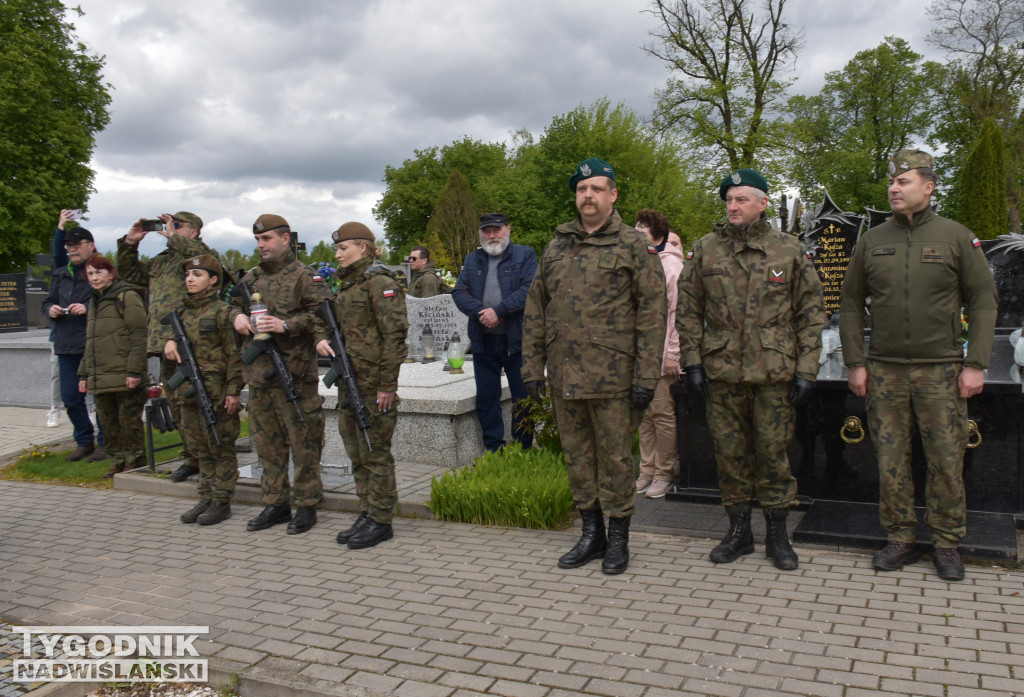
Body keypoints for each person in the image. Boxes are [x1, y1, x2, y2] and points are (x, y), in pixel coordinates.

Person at [839, 149, 998, 582]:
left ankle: (946, 543)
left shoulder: (955, 236)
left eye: (903, 182)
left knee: (946, 459)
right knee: (890, 458)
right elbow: (850, 303)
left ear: (928, 187)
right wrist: (856, 360)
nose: (893, 188)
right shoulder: (872, 241)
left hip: (941, 369)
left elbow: (983, 299)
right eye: (891, 182)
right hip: (885, 370)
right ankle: (900, 537)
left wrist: (976, 362)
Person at [522, 158, 667, 575]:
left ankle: (619, 538)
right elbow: (537, 309)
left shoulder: (632, 245)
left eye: (597, 188)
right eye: (582, 189)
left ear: (613, 195)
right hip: (565, 376)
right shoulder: (557, 245)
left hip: (614, 378)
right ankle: (591, 534)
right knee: (578, 458)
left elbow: (653, 314)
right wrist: (532, 369)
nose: (588, 195)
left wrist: (645, 376)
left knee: (618, 459)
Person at [676, 168, 824, 571]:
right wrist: (692, 362)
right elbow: (688, 310)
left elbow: (811, 313)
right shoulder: (706, 249)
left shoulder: (789, 249)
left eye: (742, 199)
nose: (733, 206)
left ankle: (778, 535)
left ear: (762, 204)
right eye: (728, 199)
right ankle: (739, 533)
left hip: (773, 372)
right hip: (722, 372)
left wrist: (807, 369)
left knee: (774, 455)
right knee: (730, 456)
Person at [231, 214, 331, 535]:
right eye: (258, 240)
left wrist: (286, 324)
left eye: (267, 239)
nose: (261, 245)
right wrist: (236, 317)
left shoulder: (305, 276)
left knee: (304, 444)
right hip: (260, 378)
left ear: (285, 239)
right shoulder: (250, 279)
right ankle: (275, 503)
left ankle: (306, 505)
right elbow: (231, 304)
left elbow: (323, 314)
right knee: (266, 446)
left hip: (295, 376)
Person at [316, 222, 409, 550]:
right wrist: (321, 340)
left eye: (343, 248)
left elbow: (395, 336)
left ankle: (382, 520)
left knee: (375, 452)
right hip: (349, 382)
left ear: (364, 248)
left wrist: (387, 385)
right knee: (356, 451)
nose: (337, 254)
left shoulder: (380, 283)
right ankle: (367, 510)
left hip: (372, 385)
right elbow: (329, 324)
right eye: (338, 249)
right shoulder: (346, 286)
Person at [117, 212, 218, 482]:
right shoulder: (162, 261)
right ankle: (191, 457)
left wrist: (174, 237)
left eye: (177, 225)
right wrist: (130, 243)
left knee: (196, 402)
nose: (169, 229)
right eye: (168, 225)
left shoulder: (200, 257)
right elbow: (129, 274)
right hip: (164, 341)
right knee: (176, 405)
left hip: (191, 340)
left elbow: (206, 258)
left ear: (194, 232)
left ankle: (209, 457)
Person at [166, 255, 243, 526]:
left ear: (213, 280)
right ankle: (206, 496)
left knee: (220, 446)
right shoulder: (183, 313)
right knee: (200, 448)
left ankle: (222, 501)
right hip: (188, 392)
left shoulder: (222, 312)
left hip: (216, 393)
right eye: (188, 274)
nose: (190, 279)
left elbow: (235, 354)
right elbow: (177, 342)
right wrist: (169, 342)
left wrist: (234, 390)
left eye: (197, 274)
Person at [452, 213, 538, 452]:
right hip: (483, 341)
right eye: (486, 231)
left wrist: (499, 311)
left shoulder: (525, 255)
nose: (492, 235)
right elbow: (459, 292)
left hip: (516, 340)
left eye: (496, 230)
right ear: (480, 234)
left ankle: (522, 448)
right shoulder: (473, 259)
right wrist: (482, 312)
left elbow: (529, 289)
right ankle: (494, 449)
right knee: (487, 398)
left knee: (522, 397)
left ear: (507, 230)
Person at [77, 255, 148, 479]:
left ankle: (134, 461)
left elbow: (139, 335)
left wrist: (134, 371)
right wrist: (84, 373)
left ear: (111, 273)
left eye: (99, 272)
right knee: (108, 423)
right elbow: (92, 341)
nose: (94, 277)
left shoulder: (127, 296)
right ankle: (117, 461)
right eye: (90, 273)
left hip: (125, 373)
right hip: (101, 375)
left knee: (128, 422)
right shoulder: (95, 300)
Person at [633, 209, 684, 499]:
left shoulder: (671, 267)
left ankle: (664, 472)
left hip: (662, 353)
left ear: (659, 238)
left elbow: (676, 315)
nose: (636, 236)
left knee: (663, 415)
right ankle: (646, 470)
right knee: (644, 414)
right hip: (640, 354)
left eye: (643, 233)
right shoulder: (640, 264)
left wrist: (672, 354)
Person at [42, 225, 99, 461]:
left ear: (90, 246)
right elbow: (47, 303)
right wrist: (51, 310)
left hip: (93, 343)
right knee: (70, 397)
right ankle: (84, 441)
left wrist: (87, 308)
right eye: (69, 247)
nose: (72, 250)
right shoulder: (61, 274)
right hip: (66, 344)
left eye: (76, 246)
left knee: (101, 396)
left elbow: (111, 301)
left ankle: (106, 443)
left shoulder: (101, 270)